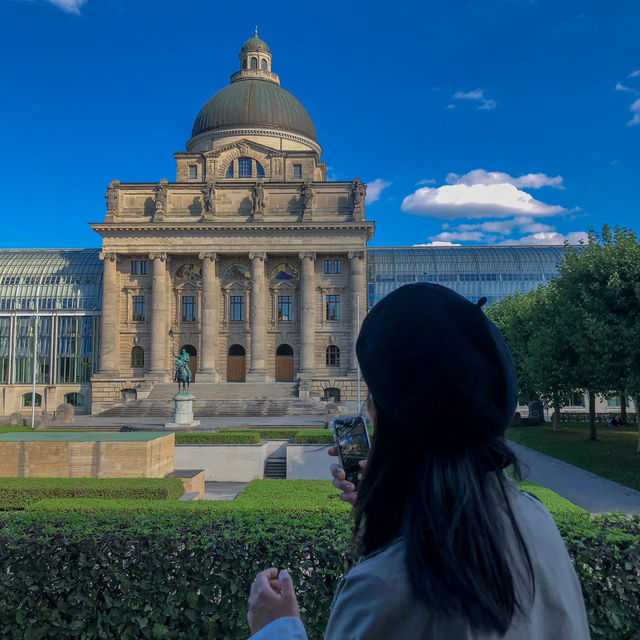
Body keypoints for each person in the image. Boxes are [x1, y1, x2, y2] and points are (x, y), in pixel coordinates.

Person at [247, 283, 591, 640]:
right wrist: (395, 505)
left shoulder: (384, 586)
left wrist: (277, 630)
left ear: (393, 423)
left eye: (373, 404)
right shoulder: (536, 519)